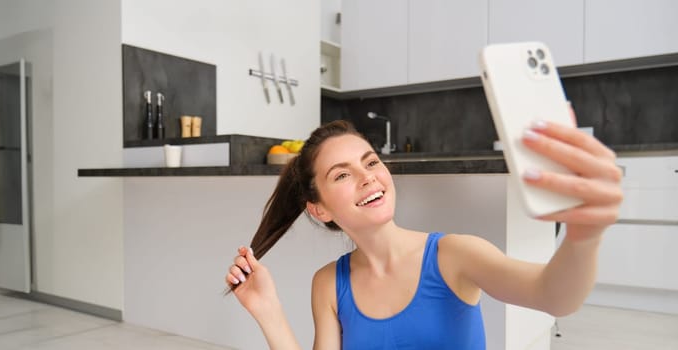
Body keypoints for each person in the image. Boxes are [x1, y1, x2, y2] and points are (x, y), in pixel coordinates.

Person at [224, 116, 622, 349]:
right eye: (342, 174)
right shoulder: (329, 284)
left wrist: (583, 237)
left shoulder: (454, 255)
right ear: (319, 207)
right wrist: (268, 311)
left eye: (371, 162)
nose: (368, 178)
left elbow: (554, 295)